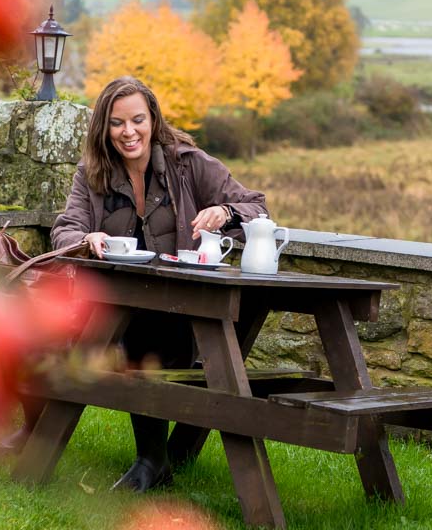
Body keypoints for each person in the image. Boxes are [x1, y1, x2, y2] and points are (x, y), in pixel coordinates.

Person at [42, 75, 267, 492]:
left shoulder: (189, 164)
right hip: (112, 315)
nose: (129, 132)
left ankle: (154, 460)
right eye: (116, 123)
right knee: (47, 333)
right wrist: (86, 240)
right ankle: (151, 458)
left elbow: (257, 206)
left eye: (137, 120)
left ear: (153, 120)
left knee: (153, 332)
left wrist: (224, 212)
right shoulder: (92, 174)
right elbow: (65, 230)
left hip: (184, 314)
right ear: (103, 129)